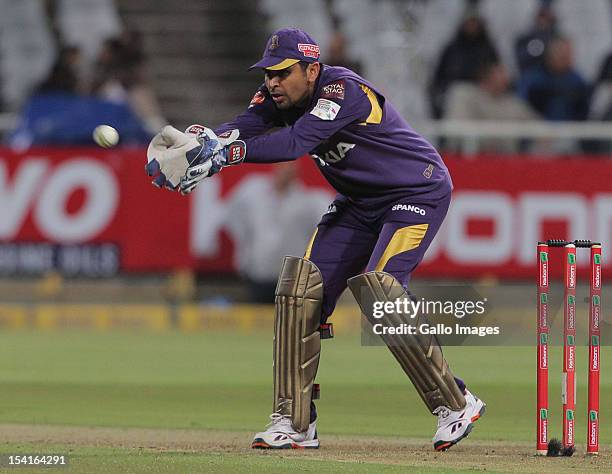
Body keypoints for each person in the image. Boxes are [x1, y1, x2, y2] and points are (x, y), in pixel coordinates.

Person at [145, 27, 486, 451]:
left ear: (311, 69)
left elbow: (295, 142)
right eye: (268, 73)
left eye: (282, 72)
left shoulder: (342, 91)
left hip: (415, 191)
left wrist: (226, 155)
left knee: (383, 293)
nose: (272, 81)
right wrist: (206, 144)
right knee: (299, 291)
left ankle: (456, 403)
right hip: (359, 202)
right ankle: (295, 422)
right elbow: (246, 126)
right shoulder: (276, 95)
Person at [224, 162, 331, 303]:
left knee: (288, 320)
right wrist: (245, 247)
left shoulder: (306, 201)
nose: (285, 172)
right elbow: (231, 217)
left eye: (290, 168)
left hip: (292, 277)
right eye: (283, 167)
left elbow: (327, 222)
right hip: (258, 272)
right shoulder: (253, 192)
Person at [445, 60, 539, 153]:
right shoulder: (464, 94)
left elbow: (542, 129)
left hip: (504, 162)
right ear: (486, 73)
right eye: (500, 71)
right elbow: (456, 133)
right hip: (468, 158)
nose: (506, 77)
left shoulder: (514, 104)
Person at [429, 12, 499, 118]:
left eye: (475, 23)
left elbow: (497, 73)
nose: (472, 27)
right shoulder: (451, 49)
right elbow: (439, 77)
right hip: (455, 91)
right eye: (469, 23)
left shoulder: (488, 48)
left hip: (483, 93)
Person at [517, 36, 590, 122]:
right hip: (536, 129)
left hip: (571, 130)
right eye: (562, 56)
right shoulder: (532, 79)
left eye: (568, 55)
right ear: (550, 55)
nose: (568, 59)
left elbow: (584, 112)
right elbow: (521, 106)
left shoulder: (577, 81)